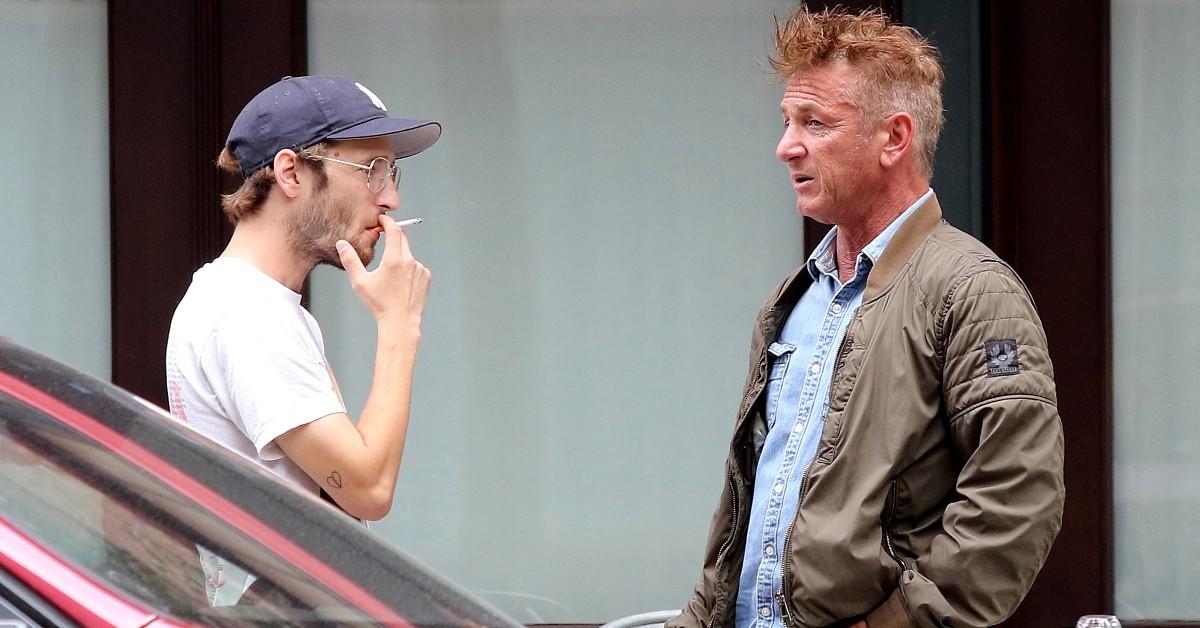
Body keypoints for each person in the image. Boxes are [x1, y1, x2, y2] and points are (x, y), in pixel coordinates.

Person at [668, 8, 1064, 628]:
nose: (785, 146)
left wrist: (897, 624)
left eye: (815, 123)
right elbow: (750, 505)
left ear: (894, 138)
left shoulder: (973, 290)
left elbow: (1015, 502)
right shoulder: (794, 298)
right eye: (786, 122)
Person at [165, 75, 440, 524]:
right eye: (372, 170)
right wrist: (399, 324)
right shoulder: (249, 316)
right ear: (291, 172)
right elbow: (367, 490)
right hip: (269, 596)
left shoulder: (249, 302)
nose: (391, 198)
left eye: (391, 173)